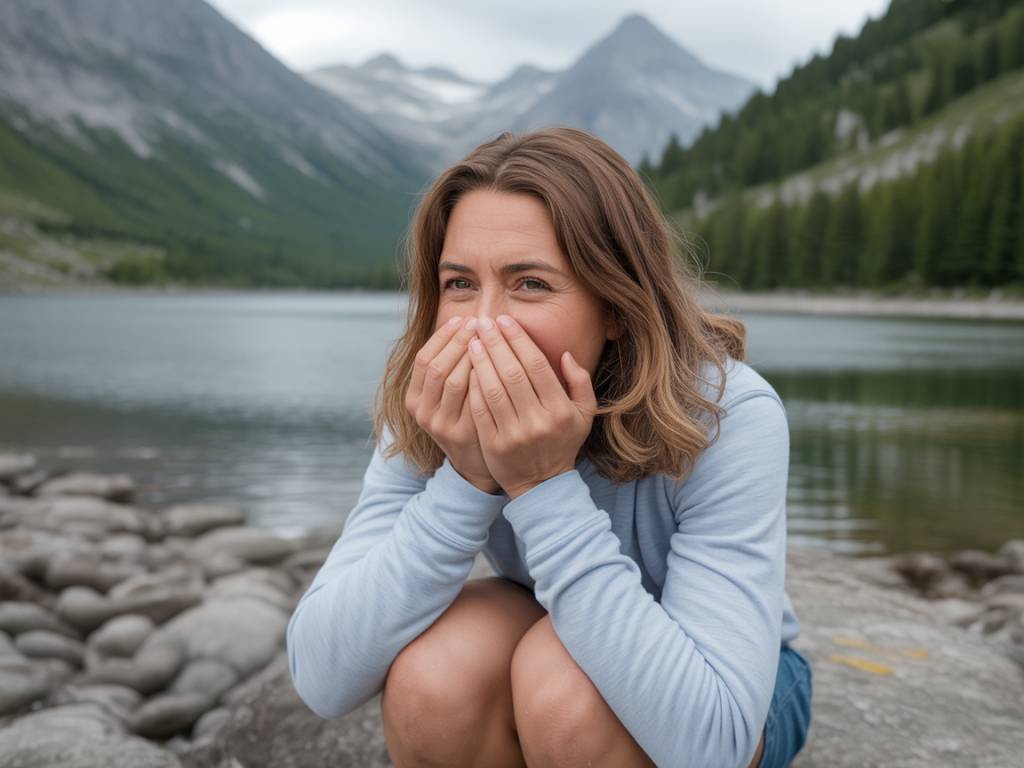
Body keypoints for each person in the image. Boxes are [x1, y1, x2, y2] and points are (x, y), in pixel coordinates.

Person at [285, 125, 813, 768]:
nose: (481, 326)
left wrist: (541, 486)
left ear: (617, 304)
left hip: (728, 690)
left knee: (560, 690)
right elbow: (321, 676)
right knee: (432, 682)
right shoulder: (436, 403)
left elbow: (713, 743)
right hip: (559, 616)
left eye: (529, 283)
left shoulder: (729, 412)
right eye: (459, 284)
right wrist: (467, 478)